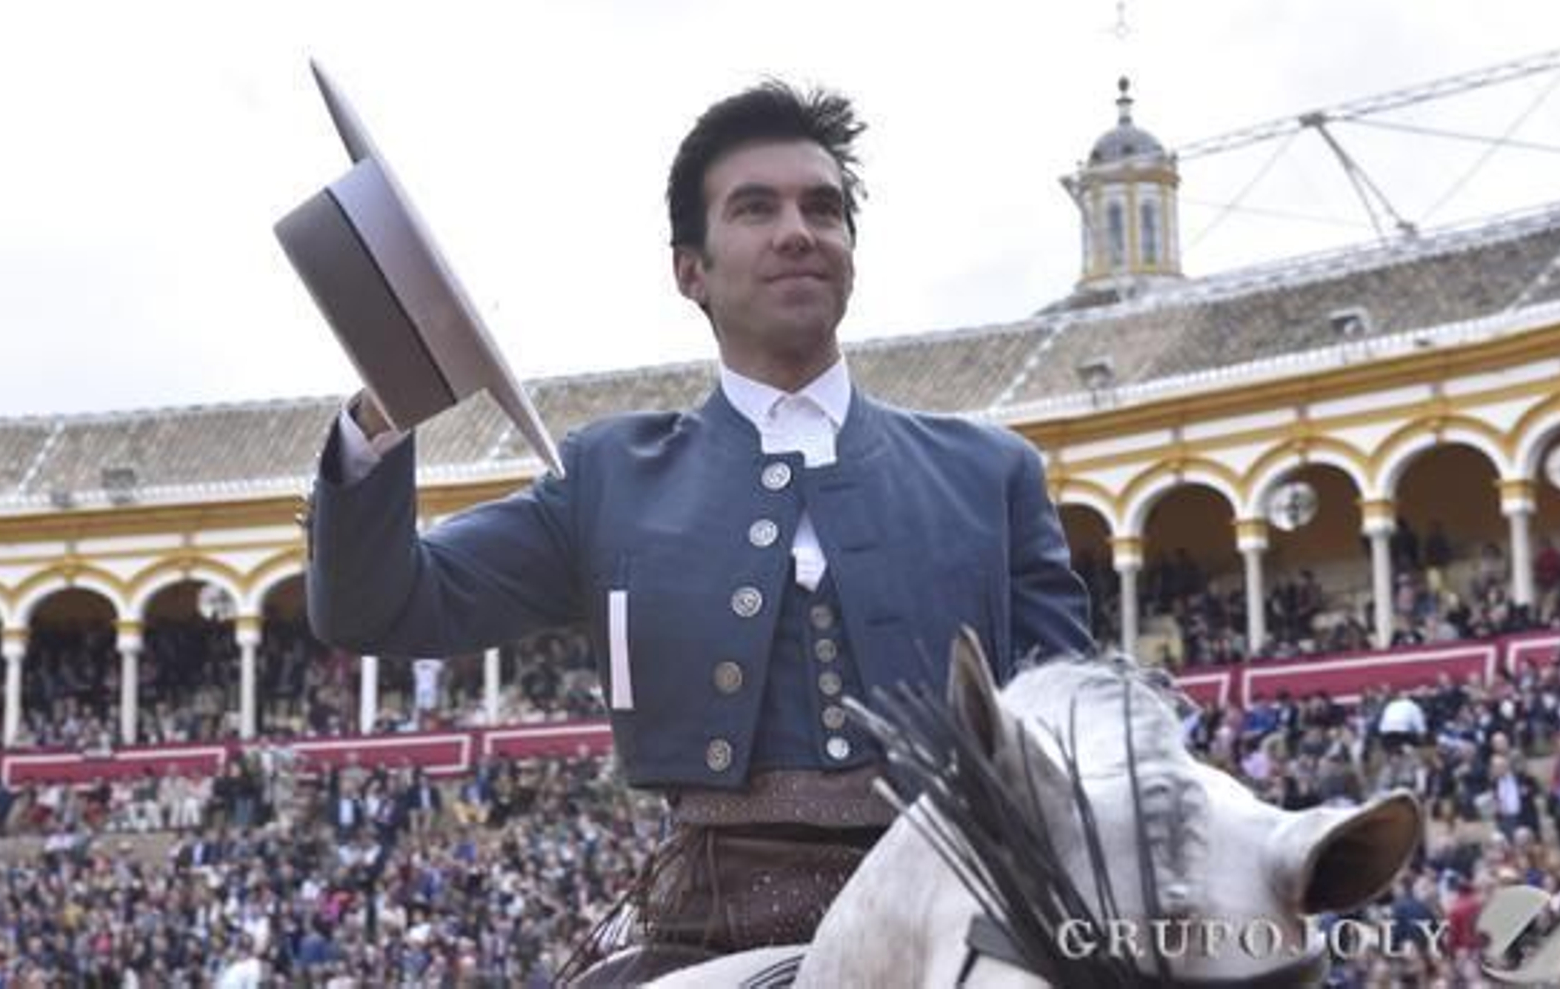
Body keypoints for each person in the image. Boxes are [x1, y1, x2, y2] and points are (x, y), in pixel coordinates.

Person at [305, 80, 1092, 975]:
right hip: (706, 932)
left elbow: (1075, 726)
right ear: (691, 271)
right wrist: (381, 410)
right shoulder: (604, 477)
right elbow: (382, 606)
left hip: (963, 921)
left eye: (822, 209)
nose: (798, 229)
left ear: (850, 254)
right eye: (756, 209)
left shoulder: (991, 474)